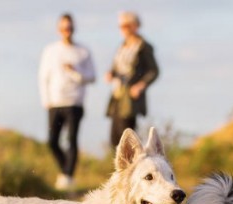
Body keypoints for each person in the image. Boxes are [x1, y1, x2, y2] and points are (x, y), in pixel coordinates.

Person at [38, 13, 96, 191]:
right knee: (52, 141)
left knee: (72, 139)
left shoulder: (83, 51)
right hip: (54, 102)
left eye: (69, 27)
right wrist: (46, 100)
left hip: (74, 103)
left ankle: (68, 177)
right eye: (63, 28)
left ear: (74, 28)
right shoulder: (50, 50)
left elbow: (92, 77)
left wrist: (75, 72)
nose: (67, 31)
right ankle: (65, 171)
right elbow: (43, 76)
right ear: (58, 30)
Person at [105, 11, 159, 148]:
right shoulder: (122, 46)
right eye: (121, 26)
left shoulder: (143, 47)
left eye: (125, 26)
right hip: (117, 93)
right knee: (114, 136)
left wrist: (141, 85)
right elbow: (116, 67)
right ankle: (121, 167)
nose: (122, 29)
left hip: (130, 97)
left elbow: (154, 71)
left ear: (134, 26)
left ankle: (134, 165)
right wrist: (111, 73)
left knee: (127, 134)